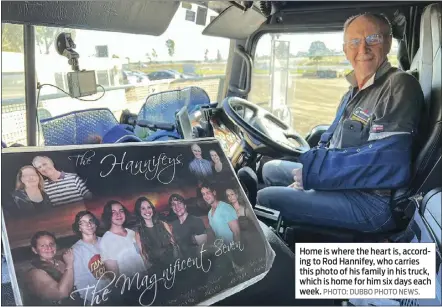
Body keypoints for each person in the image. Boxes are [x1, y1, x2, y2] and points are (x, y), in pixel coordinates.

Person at [257, 13, 424, 233]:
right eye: (354, 42)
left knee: (265, 198)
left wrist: (315, 174)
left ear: (388, 42)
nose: (362, 49)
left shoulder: (397, 86)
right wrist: (314, 172)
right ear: (346, 50)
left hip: (371, 202)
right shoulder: (354, 91)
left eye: (372, 39)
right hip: (344, 183)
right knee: (270, 169)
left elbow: (389, 163)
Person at [26, 231, 80, 305]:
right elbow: (61, 294)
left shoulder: (61, 262)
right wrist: (69, 265)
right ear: (34, 250)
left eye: (51, 244)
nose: (49, 248)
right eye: (43, 245)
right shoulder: (35, 272)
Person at [99, 200, 146, 278]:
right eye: (113, 212)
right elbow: (114, 276)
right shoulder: (106, 241)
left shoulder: (132, 233)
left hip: (146, 281)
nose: (118, 214)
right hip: (129, 286)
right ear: (108, 216)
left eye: (121, 211)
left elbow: (142, 258)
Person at [71, 211, 109, 304]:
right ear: (79, 228)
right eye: (83, 223)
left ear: (95, 224)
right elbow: (80, 281)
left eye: (91, 221)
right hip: (97, 299)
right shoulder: (76, 250)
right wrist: (95, 300)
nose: (89, 224)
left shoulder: (107, 241)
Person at [133, 197, 178, 270]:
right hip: (157, 271)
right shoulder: (138, 233)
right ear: (139, 212)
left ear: (152, 209)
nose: (147, 211)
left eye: (149, 207)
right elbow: (143, 257)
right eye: (143, 208)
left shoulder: (163, 224)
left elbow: (175, 245)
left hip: (174, 266)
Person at [168, 194, 207, 259]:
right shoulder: (174, 225)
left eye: (179, 203)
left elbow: (203, 248)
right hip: (183, 263)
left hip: (197, 263)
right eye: (173, 204)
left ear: (185, 205)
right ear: (172, 208)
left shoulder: (196, 221)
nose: (177, 206)